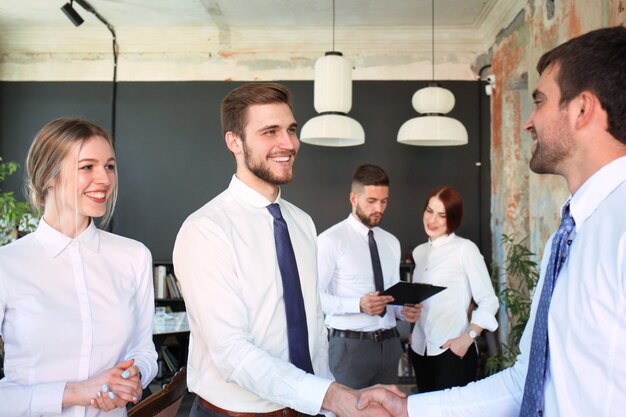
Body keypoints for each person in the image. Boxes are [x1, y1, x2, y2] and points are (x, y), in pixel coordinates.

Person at [356, 25, 626, 417]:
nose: (528, 122)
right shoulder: (566, 237)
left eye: (539, 101)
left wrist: (467, 337)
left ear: (582, 109)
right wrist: (408, 408)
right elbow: (525, 380)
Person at [172, 82, 399, 417]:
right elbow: (232, 352)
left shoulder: (302, 223)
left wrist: (327, 401)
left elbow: (313, 327)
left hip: (305, 409)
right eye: (270, 131)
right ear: (234, 141)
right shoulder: (206, 230)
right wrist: (331, 396)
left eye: (291, 130)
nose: (289, 143)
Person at [0, 118, 158, 416]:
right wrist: (75, 392)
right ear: (49, 176)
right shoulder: (7, 266)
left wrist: (131, 378)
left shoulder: (134, 256)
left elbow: (144, 350)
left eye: (109, 166)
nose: (105, 179)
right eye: (87, 167)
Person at [317, 164, 421, 389]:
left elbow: (390, 298)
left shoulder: (391, 242)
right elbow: (314, 298)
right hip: (349, 350)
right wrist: (359, 305)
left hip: (389, 345)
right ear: (353, 198)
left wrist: (403, 311)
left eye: (384, 201)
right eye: (372, 201)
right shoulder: (330, 240)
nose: (379, 208)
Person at [407, 185, 498, 393]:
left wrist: (468, 339)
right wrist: (414, 323)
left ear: (453, 218)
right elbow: (425, 299)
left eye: (442, 215)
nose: (432, 220)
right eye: (429, 211)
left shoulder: (465, 249)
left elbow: (489, 300)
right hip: (420, 350)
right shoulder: (420, 252)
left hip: (453, 351)